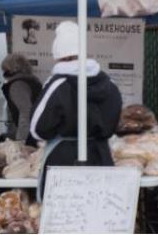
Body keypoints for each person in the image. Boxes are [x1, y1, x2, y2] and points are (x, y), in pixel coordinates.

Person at [29, 21, 122, 200]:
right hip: (101, 157)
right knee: (98, 211)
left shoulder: (57, 85)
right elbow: (114, 120)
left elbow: (37, 129)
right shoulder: (110, 85)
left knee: (66, 218)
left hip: (64, 159)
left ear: (58, 55)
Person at [1, 53, 42, 141]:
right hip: (38, 131)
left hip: (30, 136)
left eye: (5, 69)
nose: (4, 72)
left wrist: (21, 139)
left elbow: (25, 112)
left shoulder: (17, 85)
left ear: (12, 69)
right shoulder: (33, 81)